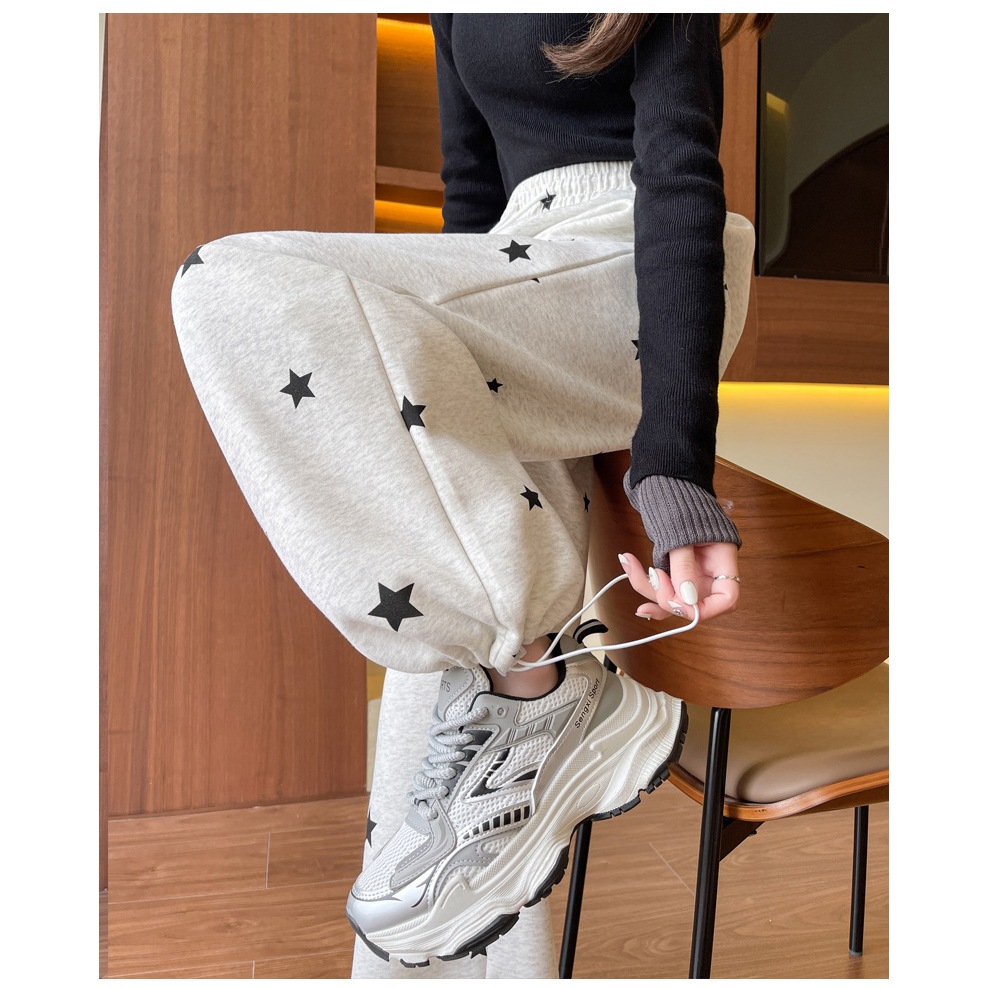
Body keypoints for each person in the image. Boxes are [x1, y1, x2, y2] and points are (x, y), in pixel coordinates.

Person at [170, 11, 773, 978]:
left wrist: (673, 470)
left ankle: (537, 680)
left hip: (625, 257)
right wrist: (440, 371)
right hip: (507, 267)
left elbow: (679, 176)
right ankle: (524, 714)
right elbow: (472, 194)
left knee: (228, 280)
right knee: (449, 721)